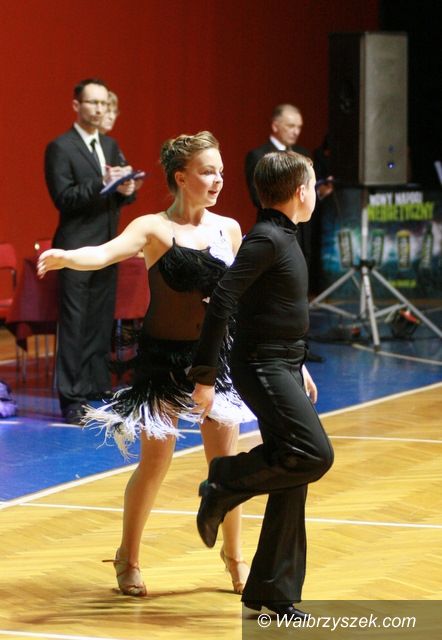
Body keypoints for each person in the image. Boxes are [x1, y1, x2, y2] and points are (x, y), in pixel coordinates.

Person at [38, 131, 253, 597]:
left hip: (215, 360)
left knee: (226, 468)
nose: (218, 180)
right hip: (163, 362)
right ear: (181, 177)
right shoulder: (153, 227)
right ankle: (128, 556)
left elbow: (244, 299)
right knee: (155, 464)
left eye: (220, 171)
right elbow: (104, 253)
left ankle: (235, 556)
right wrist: (67, 256)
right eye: (207, 171)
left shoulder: (229, 229)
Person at [190, 151, 334, 617]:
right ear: (301, 191)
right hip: (261, 366)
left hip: (284, 364)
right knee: (314, 454)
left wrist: (300, 364)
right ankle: (223, 481)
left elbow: (269, 308)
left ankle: (272, 593)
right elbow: (222, 301)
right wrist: (205, 376)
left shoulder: (283, 235)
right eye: (313, 185)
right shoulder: (267, 238)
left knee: (295, 471)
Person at [44, 78, 139, 424]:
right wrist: (102, 182)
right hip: (75, 245)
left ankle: (97, 386)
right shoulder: (61, 147)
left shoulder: (110, 145)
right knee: (74, 324)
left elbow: (118, 196)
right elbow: (64, 198)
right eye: (92, 102)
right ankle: (71, 398)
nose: (99, 109)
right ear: (77, 106)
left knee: (100, 321)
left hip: (107, 246)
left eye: (103, 103)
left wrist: (126, 189)